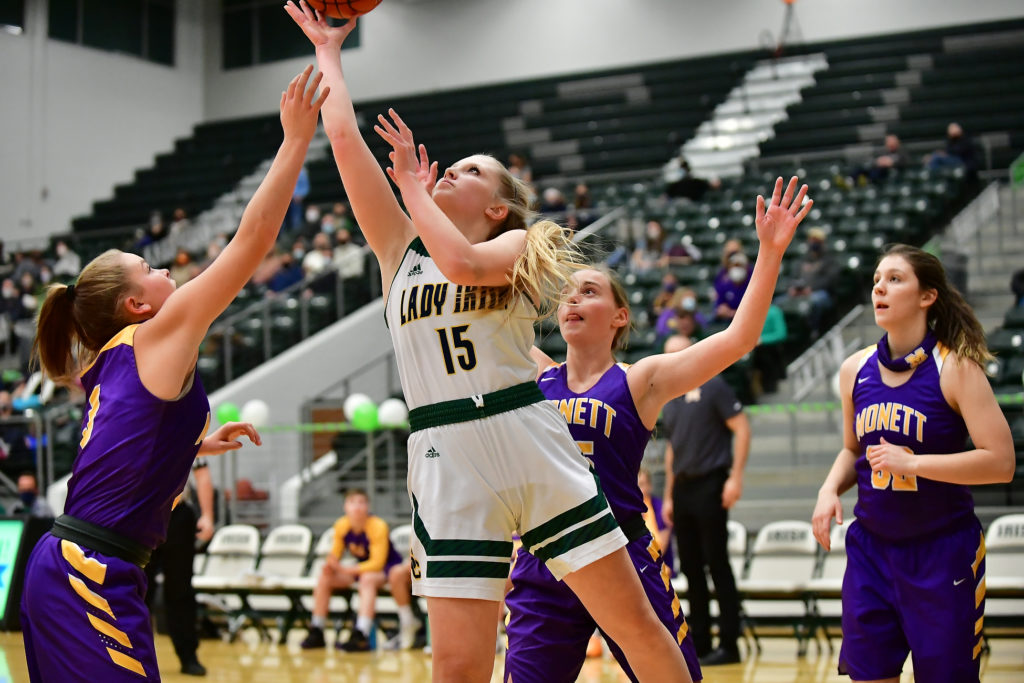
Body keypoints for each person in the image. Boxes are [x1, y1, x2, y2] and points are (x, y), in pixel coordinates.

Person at [285, 4, 706, 679]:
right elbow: (342, 139)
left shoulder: (515, 244)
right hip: (443, 451)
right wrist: (330, 50)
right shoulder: (398, 250)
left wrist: (416, 192)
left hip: (524, 432)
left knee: (635, 627)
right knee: (457, 667)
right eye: (449, 167)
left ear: (498, 206)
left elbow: (464, 266)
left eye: (471, 172)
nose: (450, 171)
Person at [20, 65, 327, 681]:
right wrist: (295, 140)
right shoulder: (158, 332)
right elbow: (252, 239)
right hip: (88, 569)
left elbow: (123, 449)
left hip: (80, 564)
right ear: (138, 304)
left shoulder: (112, 356)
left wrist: (192, 442)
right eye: (149, 267)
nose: (165, 270)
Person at [504, 175, 810, 682]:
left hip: (620, 548)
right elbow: (473, 317)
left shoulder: (640, 380)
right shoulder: (535, 372)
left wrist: (770, 251)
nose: (574, 300)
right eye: (568, 294)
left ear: (620, 316)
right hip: (546, 555)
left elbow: (740, 338)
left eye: (590, 292)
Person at [811, 244, 1014, 682]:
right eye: (876, 280)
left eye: (895, 279)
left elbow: (1000, 463)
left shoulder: (955, 367)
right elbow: (852, 451)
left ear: (927, 296)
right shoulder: (854, 369)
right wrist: (829, 491)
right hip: (872, 549)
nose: (879, 287)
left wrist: (915, 463)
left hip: (942, 553)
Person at [661, 334, 752, 666]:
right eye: (667, 355)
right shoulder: (669, 399)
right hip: (683, 489)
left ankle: (730, 643)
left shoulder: (714, 386)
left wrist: (735, 478)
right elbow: (673, 449)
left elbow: (741, 428)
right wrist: (669, 494)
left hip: (712, 483)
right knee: (691, 569)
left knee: (717, 564)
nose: (672, 360)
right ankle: (699, 642)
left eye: (678, 354)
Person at [301, 488, 420, 651]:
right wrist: (330, 565)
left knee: (367, 579)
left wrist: (344, 569)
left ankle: (361, 633)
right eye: (352, 502)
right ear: (345, 506)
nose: (357, 506)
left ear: (368, 506)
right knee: (325, 577)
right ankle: (317, 629)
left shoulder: (378, 525)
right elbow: (335, 554)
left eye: (361, 502)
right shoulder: (341, 525)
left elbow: (377, 563)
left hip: (386, 569)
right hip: (360, 569)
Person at [144, 458, 215, 676]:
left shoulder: (185, 425)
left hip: (178, 516)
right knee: (139, 590)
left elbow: (201, 472)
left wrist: (208, 516)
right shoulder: (133, 428)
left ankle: (188, 656)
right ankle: (133, 655)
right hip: (142, 515)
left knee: (180, 590)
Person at [785, 226, 839, 339]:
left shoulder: (829, 260)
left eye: (816, 241)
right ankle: (790, 334)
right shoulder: (803, 259)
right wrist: (792, 288)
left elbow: (830, 280)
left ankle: (814, 331)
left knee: (814, 301)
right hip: (800, 293)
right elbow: (793, 277)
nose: (813, 243)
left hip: (821, 293)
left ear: (822, 242)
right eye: (811, 240)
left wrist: (811, 289)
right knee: (778, 302)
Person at [713, 240, 752, 322]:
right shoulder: (721, 275)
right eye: (730, 254)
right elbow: (719, 304)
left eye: (735, 253)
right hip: (728, 319)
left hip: (749, 317)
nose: (733, 256)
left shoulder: (751, 273)